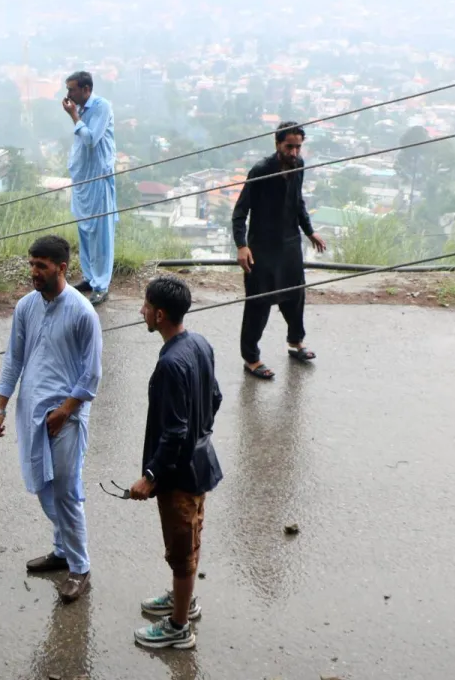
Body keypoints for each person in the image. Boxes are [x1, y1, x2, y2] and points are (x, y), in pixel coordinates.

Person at [0, 235, 101, 603]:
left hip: (66, 418)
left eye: (42, 266)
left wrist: (65, 411)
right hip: (31, 414)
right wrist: (0, 409)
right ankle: (62, 550)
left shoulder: (83, 312)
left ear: (61, 268)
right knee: (42, 486)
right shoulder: (25, 307)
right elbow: (14, 359)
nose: (34, 272)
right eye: (32, 264)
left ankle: (79, 568)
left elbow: (92, 374)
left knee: (66, 491)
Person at [126, 275, 222, 651]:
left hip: (179, 476)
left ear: (160, 314)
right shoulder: (200, 343)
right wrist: (203, 434)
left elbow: (174, 431)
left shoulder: (169, 363)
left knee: (182, 550)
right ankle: (183, 598)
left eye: (146, 306)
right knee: (191, 540)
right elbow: (214, 397)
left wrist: (150, 476)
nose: (142, 311)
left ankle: (179, 626)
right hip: (201, 464)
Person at [232, 120, 328, 379]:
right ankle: (251, 358)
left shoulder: (299, 166)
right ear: (277, 144)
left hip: (289, 244)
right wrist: (242, 246)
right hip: (261, 247)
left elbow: (298, 202)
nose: (294, 152)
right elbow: (240, 211)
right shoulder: (262, 170)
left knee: (295, 295)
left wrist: (309, 231)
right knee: (259, 303)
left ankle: (295, 342)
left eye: (298, 147)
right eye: (289, 147)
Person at [63, 71, 117, 306]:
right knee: (84, 230)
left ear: (86, 89)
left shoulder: (101, 106)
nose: (69, 94)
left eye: (72, 89)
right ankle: (89, 277)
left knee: (101, 232)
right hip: (82, 178)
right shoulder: (81, 109)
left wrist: (74, 117)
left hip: (98, 177)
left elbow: (91, 139)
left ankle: (102, 285)